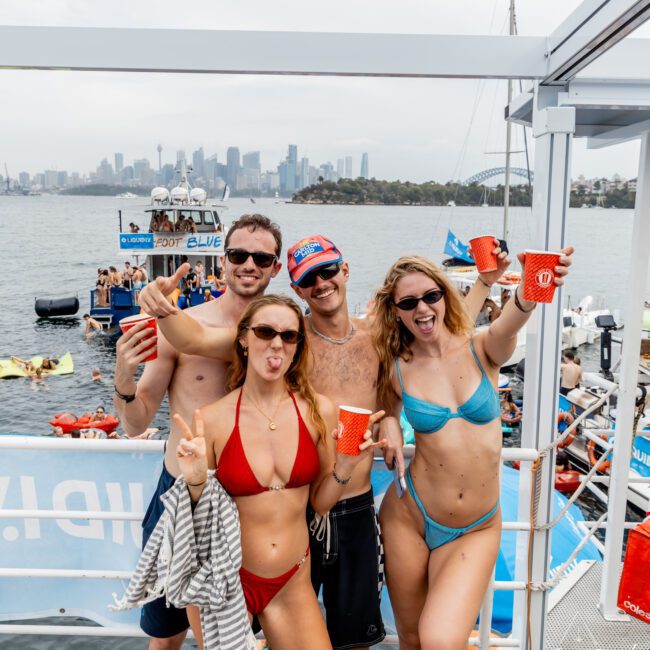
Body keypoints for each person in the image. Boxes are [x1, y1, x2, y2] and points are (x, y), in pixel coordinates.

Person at [143, 233, 509, 650]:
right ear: (297, 288)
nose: (321, 283)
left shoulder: (379, 337)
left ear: (345, 270)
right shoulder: (286, 341)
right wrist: (161, 307)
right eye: (308, 278)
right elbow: (194, 338)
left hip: (353, 503)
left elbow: (443, 328)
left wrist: (389, 418)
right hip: (300, 510)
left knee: (354, 639)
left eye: (328, 270)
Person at [373, 247, 573, 649]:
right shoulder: (397, 366)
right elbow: (382, 407)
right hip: (408, 516)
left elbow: (511, 322)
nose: (423, 308)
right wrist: (390, 421)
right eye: (409, 302)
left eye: (431, 296)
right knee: (410, 639)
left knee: (440, 639)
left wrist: (532, 288)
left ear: (444, 295)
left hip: (475, 527)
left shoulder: (482, 349)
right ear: (396, 311)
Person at [167, 295, 386, 648]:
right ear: (243, 339)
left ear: (298, 347)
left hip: (291, 580)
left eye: (289, 336)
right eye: (266, 331)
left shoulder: (319, 411)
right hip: (224, 579)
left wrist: (344, 468)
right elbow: (196, 523)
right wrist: (194, 481)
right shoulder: (213, 418)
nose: (276, 343)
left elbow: (320, 503)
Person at [113, 213, 283, 649]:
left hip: (252, 499)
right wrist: (124, 379)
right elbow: (137, 423)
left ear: (276, 267)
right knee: (167, 634)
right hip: (181, 498)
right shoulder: (179, 328)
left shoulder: (282, 336)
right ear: (222, 262)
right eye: (238, 254)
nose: (249, 264)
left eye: (261, 257)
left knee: (244, 632)